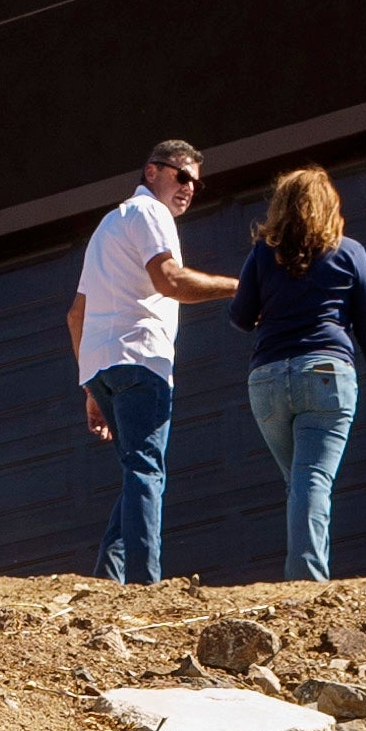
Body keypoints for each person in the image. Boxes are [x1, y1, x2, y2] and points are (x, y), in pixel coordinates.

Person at [67, 137, 237, 584]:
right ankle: (146, 582)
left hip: (102, 367)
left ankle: (109, 577)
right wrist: (242, 288)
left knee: (136, 470)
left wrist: (91, 388)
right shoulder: (151, 213)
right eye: (181, 176)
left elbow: (75, 315)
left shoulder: (108, 225)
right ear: (152, 172)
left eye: (195, 183)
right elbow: (170, 280)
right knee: (146, 470)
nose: (189, 188)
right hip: (142, 360)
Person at [225, 165, 366, 585]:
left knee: (300, 480)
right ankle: (307, 581)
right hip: (325, 374)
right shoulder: (350, 252)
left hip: (267, 379)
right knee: (312, 478)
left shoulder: (262, 254)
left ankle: (306, 573)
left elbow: (240, 317)